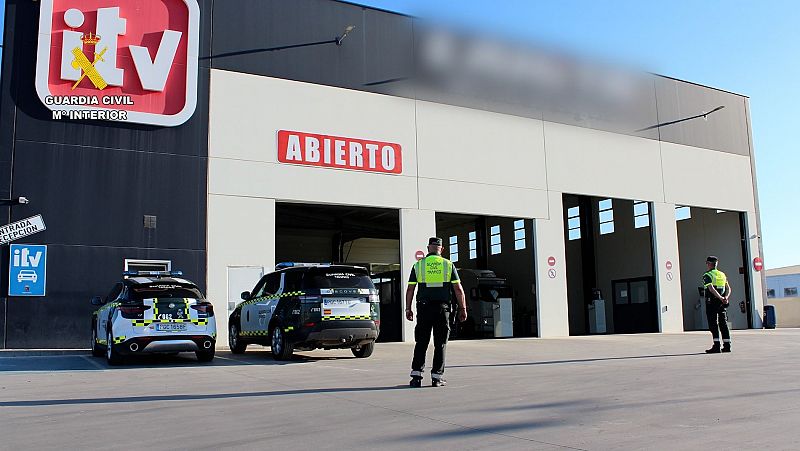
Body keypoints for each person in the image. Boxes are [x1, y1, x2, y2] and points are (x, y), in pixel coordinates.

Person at [405, 237, 467, 387]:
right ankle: (437, 377)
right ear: (442, 249)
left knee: (421, 342)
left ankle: (416, 377)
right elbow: (458, 289)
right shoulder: (448, 265)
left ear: (428, 248)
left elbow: (410, 289)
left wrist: (408, 308)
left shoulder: (418, 266)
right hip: (442, 309)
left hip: (424, 308)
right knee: (440, 343)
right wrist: (463, 308)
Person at [703, 256, 732, 353]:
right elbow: (728, 288)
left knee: (713, 323)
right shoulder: (722, 274)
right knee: (723, 323)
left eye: (707, 263)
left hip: (712, 302)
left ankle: (716, 346)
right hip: (722, 303)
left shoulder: (707, 275)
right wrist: (725, 298)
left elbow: (711, 289)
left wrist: (719, 297)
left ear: (708, 263)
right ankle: (727, 346)